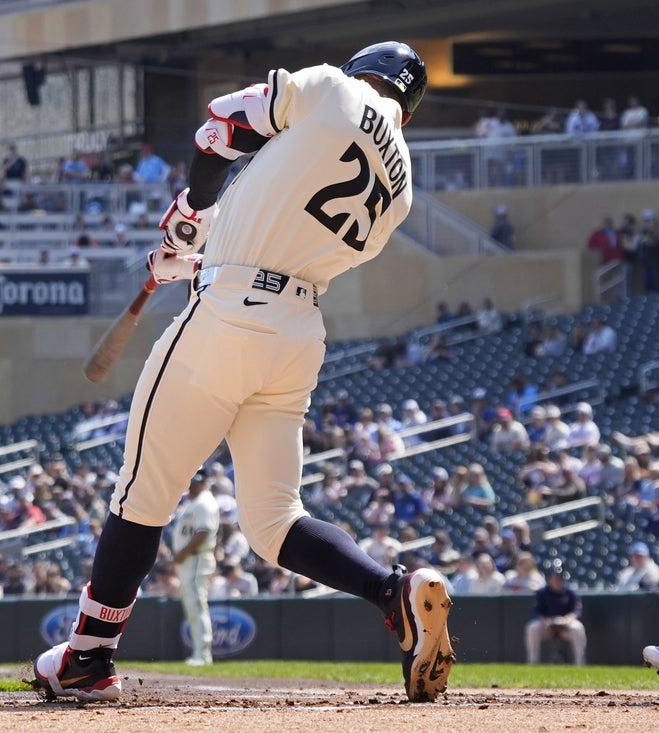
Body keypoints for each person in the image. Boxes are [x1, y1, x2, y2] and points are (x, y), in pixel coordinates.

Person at [30, 42, 454, 705]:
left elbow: (218, 131)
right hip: (296, 332)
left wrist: (194, 213)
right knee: (274, 521)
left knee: (142, 493)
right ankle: (390, 588)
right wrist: (198, 259)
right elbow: (290, 235)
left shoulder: (331, 88)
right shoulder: (400, 188)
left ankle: (88, 654)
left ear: (362, 71)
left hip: (230, 313)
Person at [170, 468, 220, 666]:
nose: (191, 485)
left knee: (197, 605)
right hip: (190, 560)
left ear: (204, 482)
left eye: (195, 482)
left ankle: (203, 654)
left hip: (196, 559)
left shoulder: (205, 502)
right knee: (193, 606)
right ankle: (200, 652)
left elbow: (203, 532)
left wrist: (182, 553)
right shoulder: (195, 502)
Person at [524, 563, 586, 665]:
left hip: (565, 626)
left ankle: (580, 663)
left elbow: (577, 609)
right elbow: (536, 610)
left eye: (559, 577)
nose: (557, 580)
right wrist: (543, 620)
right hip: (546, 626)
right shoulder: (542, 592)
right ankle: (533, 662)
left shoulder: (570, 592)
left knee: (577, 628)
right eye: (554, 577)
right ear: (549, 578)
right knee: (532, 628)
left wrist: (568, 619)